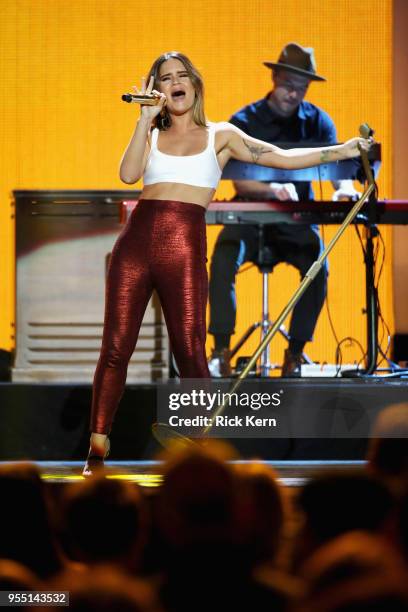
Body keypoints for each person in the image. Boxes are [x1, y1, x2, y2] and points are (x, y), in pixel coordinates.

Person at [83, 51, 371, 475]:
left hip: (183, 245)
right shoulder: (151, 133)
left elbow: (283, 159)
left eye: (182, 75)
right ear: (156, 89)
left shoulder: (222, 135)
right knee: (114, 350)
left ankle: (199, 454)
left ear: (195, 86)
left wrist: (344, 150)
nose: (175, 82)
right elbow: (128, 176)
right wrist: (143, 120)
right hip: (136, 244)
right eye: (166, 78)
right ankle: (96, 453)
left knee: (191, 349)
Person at [208, 43, 361, 378]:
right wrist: (271, 190)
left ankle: (295, 354)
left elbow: (337, 173)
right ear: (274, 76)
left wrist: (346, 189)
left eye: (302, 87)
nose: (294, 93)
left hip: (296, 221)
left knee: (318, 263)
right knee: (223, 255)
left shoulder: (319, 123)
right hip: (250, 215)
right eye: (289, 83)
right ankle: (220, 351)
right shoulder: (243, 121)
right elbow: (239, 181)